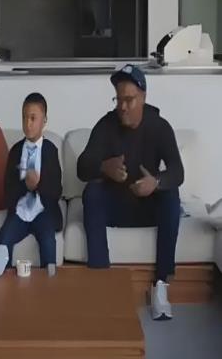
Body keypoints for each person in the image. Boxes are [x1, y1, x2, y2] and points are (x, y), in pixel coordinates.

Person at [77, 64, 184, 321]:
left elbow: (178, 171)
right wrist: (104, 167)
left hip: (148, 208)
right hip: (117, 206)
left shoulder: (159, 126)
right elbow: (81, 167)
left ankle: (160, 286)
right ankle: (101, 280)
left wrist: (156, 182)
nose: (123, 107)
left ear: (143, 97)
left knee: (171, 196)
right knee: (91, 192)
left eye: (129, 99)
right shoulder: (106, 125)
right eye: (119, 99)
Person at [0, 92, 63, 268]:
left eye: (33, 118)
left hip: (43, 211)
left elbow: (57, 190)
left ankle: (49, 280)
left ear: (44, 121)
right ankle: (4, 278)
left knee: (48, 241)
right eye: (24, 117)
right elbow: (7, 190)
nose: (28, 123)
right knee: (3, 239)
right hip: (20, 212)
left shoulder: (51, 151)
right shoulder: (15, 151)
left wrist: (38, 185)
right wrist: (25, 186)